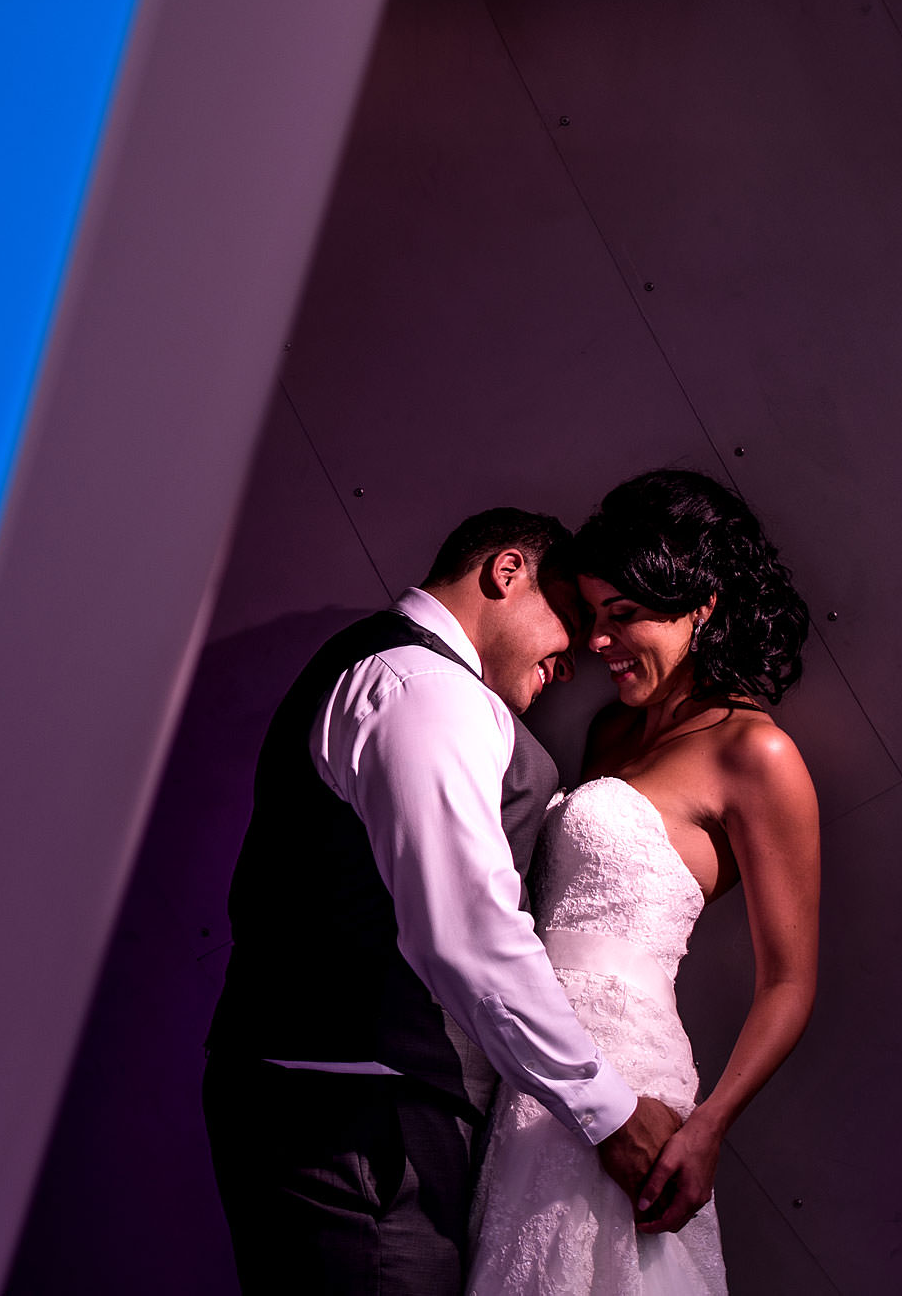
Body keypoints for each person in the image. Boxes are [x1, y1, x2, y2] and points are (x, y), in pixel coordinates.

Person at [203, 509, 683, 1294]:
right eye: (571, 614)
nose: (578, 657)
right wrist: (608, 1111)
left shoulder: (410, 677)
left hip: (354, 1109)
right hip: (352, 1120)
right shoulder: (422, 687)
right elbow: (468, 930)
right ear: (506, 573)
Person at [469, 470, 819, 1295]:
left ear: (701, 602)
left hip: (631, 1074)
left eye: (622, 614)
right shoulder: (610, 727)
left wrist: (709, 1126)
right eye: (593, 615)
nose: (596, 640)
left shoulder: (756, 755)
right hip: (529, 1064)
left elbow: (791, 981)